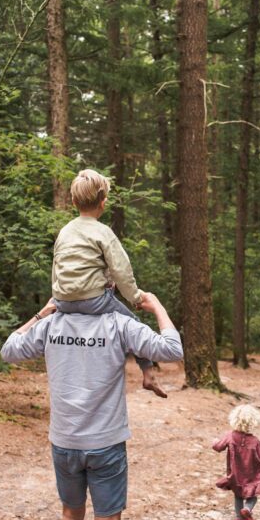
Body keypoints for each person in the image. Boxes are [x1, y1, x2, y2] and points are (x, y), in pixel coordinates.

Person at [0, 291, 183, 520]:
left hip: (64, 443)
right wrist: (157, 305)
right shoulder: (119, 323)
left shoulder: (51, 324)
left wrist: (42, 312)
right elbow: (172, 349)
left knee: (71, 513)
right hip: (106, 444)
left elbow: (9, 349)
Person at [51, 168, 168, 398]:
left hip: (63, 301)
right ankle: (148, 373)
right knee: (133, 323)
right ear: (103, 203)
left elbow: (57, 266)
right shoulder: (103, 232)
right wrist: (135, 298)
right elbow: (121, 270)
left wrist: (58, 297)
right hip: (92, 301)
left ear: (73, 201)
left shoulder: (64, 232)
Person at [211, 405, 260, 520]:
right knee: (252, 497)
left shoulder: (230, 436)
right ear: (253, 422)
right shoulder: (255, 440)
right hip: (251, 475)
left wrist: (214, 441)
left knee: (238, 496)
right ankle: (247, 509)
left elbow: (218, 447)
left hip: (235, 474)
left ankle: (238, 519)